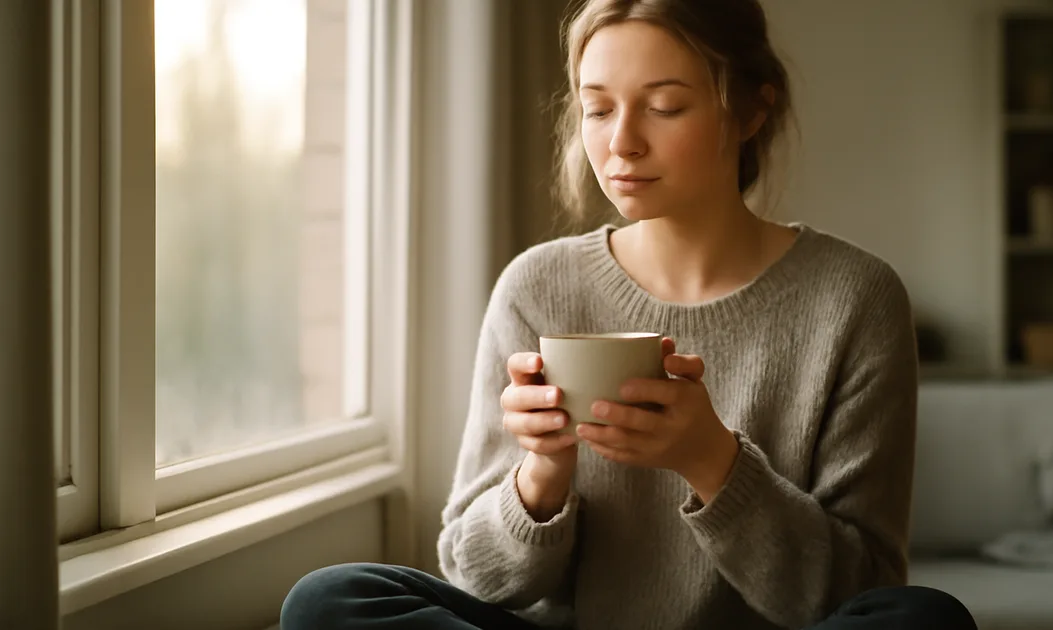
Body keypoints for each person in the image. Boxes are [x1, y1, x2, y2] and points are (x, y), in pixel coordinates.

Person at [280, 0, 979, 628]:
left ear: (753, 110)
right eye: (598, 107)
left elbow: (856, 590)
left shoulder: (855, 297)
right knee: (328, 601)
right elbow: (476, 578)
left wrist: (713, 461)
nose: (621, 144)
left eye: (665, 106)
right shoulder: (537, 285)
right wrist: (540, 478)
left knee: (923, 620)